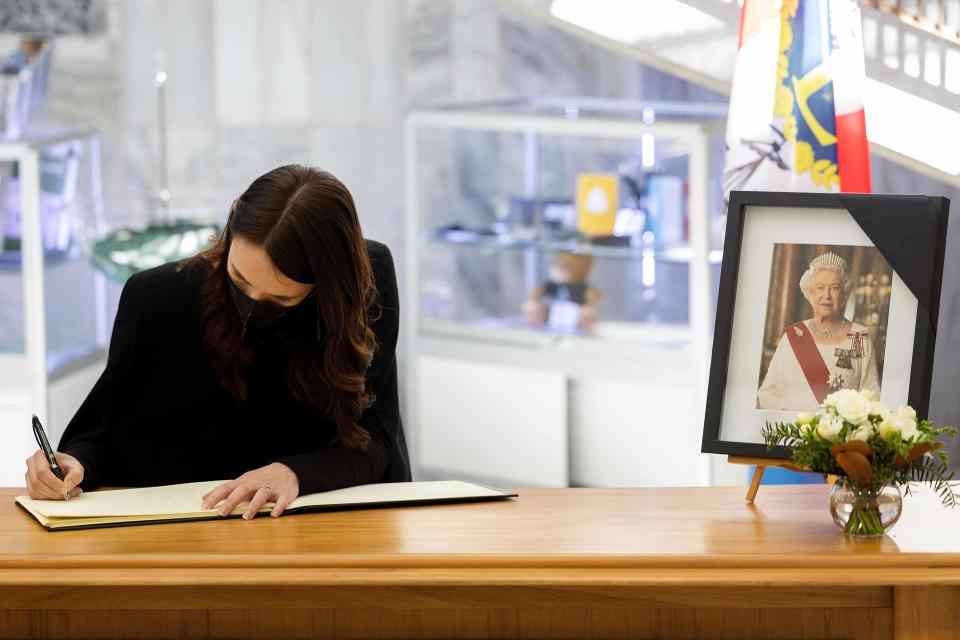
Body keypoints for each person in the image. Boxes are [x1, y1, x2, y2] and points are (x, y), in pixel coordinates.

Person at [23, 165, 410, 519]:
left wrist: (295, 473)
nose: (252, 307)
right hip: (185, 529)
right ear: (231, 218)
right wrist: (71, 464)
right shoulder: (157, 298)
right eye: (239, 280)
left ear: (328, 283)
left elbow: (377, 441)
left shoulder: (365, 283)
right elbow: (105, 434)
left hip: (323, 524)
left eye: (281, 301)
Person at [757, 251, 880, 411]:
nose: (826, 295)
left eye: (834, 288)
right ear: (811, 293)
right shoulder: (794, 334)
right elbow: (767, 392)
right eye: (820, 288)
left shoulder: (860, 336)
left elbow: (872, 397)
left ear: (844, 295)